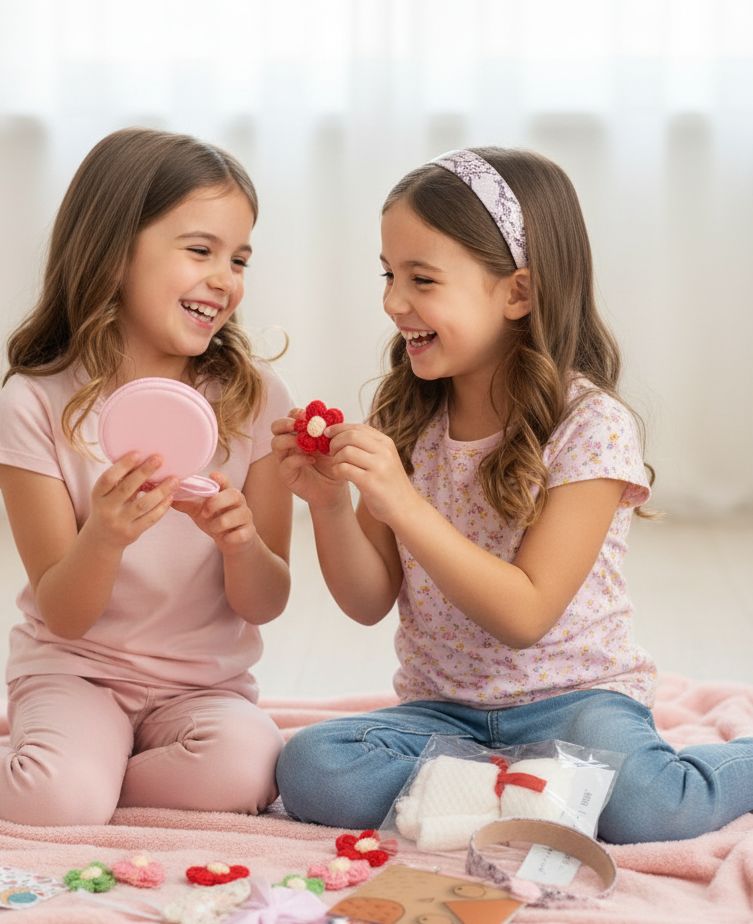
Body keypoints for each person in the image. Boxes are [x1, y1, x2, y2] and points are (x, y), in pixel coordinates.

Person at [271, 147, 753, 846]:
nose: (393, 302)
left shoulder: (590, 426)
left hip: (576, 705)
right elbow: (367, 600)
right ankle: (530, 790)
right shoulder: (405, 417)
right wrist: (326, 505)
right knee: (313, 769)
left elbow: (526, 615)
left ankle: (490, 793)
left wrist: (404, 504)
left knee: (649, 806)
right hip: (445, 715)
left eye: (421, 279)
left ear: (518, 294)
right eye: (388, 275)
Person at [0, 128, 293, 825]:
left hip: (202, 687)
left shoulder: (256, 399)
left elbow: (266, 602)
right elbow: (63, 612)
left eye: (239, 258)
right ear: (114, 250)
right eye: (200, 250)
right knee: (60, 796)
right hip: (75, 672)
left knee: (249, 770)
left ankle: (79, 779)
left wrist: (241, 545)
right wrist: (107, 537)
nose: (226, 278)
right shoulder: (34, 404)